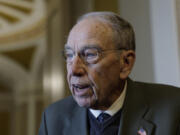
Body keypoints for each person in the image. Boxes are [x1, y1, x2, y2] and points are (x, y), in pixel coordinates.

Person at [39, 11, 180, 135]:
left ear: (125, 63)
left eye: (89, 54)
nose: (74, 70)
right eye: (69, 55)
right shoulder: (53, 118)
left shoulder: (173, 108)